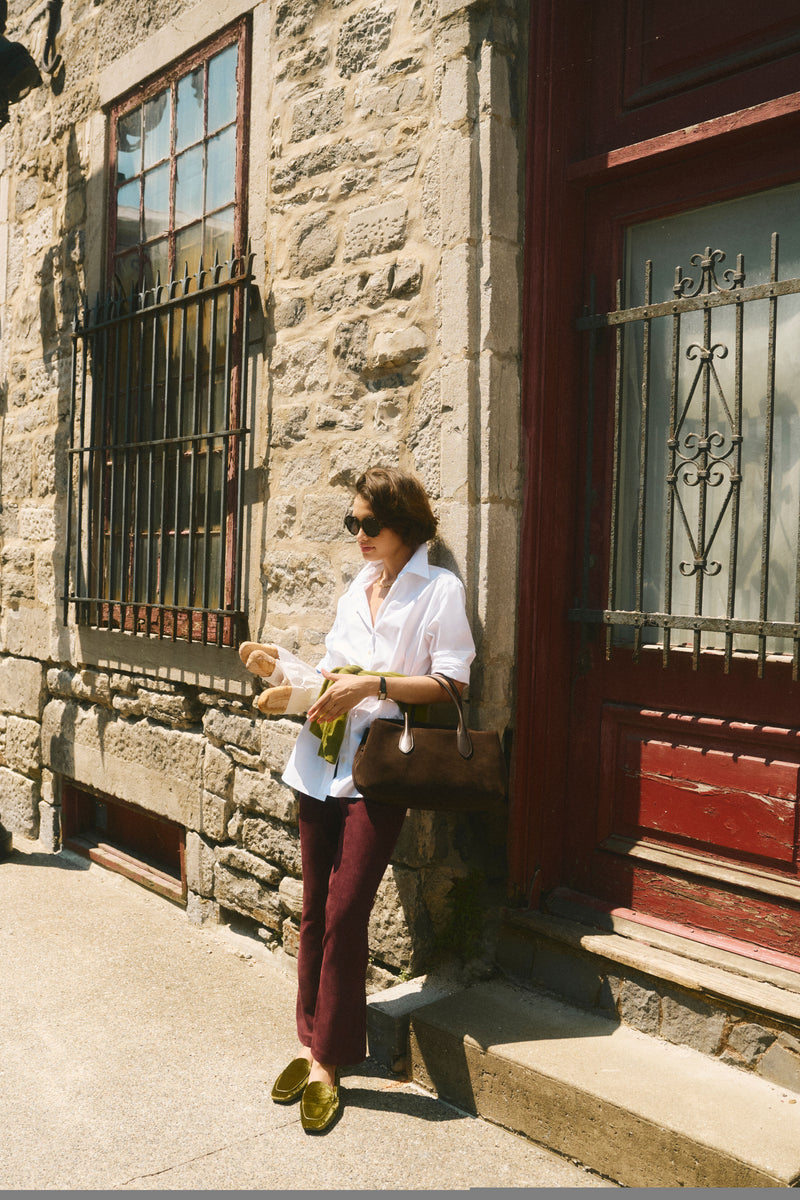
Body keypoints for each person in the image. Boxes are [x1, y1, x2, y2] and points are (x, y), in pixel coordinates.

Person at [241, 466, 475, 1133]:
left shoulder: (439, 590)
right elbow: (330, 674)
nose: (360, 536)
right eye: (353, 524)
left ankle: (328, 1062)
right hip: (320, 759)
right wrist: (286, 670)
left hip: (380, 767)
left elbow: (452, 683)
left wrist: (373, 684)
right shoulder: (357, 586)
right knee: (314, 905)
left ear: (406, 523)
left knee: (348, 908)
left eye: (369, 524)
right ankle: (312, 1042)